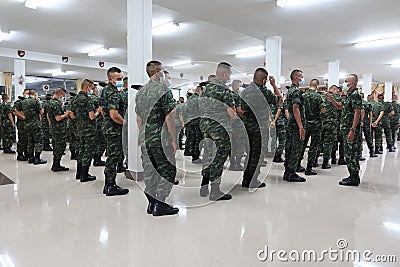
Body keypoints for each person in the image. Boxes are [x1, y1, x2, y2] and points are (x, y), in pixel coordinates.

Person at [135, 60, 179, 216]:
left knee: (150, 170)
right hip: (161, 138)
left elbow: (138, 118)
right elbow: (170, 116)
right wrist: (173, 138)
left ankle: (152, 202)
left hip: (145, 138)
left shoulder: (140, 92)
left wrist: (145, 133)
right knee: (168, 169)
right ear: (159, 71)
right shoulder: (163, 90)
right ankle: (160, 202)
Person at [199, 62, 236, 200]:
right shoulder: (224, 90)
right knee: (218, 159)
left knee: (208, 156)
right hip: (220, 129)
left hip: (205, 126)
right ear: (225, 74)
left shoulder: (206, 88)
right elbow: (231, 114)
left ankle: (204, 186)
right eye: (229, 74)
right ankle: (215, 191)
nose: (229, 77)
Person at [241, 68, 283, 187]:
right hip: (259, 129)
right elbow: (280, 100)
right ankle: (253, 180)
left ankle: (246, 179)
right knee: (258, 155)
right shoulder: (263, 91)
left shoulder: (245, 91)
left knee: (249, 154)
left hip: (247, 127)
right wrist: (274, 85)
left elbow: (241, 109)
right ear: (264, 80)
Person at [328, 74, 362, 186]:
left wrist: (352, 129)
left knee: (352, 153)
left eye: (346, 81)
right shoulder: (348, 95)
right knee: (348, 153)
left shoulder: (355, 95)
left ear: (351, 83)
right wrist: (331, 98)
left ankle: (354, 177)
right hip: (346, 129)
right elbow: (339, 106)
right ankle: (352, 175)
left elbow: (357, 112)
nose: (344, 83)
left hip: (350, 129)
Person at [100, 67, 129, 196]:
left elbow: (102, 110)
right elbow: (114, 114)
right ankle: (110, 185)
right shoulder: (113, 93)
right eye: (118, 79)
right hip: (114, 129)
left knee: (112, 156)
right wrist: (125, 123)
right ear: (110, 79)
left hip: (108, 127)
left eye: (122, 78)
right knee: (114, 156)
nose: (121, 81)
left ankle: (109, 184)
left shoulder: (105, 90)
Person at [70, 80, 101, 182]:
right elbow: (92, 117)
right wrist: (98, 112)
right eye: (91, 88)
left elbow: (72, 115)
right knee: (88, 151)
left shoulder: (75, 99)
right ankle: (85, 175)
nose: (91, 90)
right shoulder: (87, 100)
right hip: (89, 130)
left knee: (82, 150)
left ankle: (79, 173)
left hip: (79, 128)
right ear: (87, 87)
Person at [284, 69, 306, 182]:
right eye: (301, 77)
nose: (302, 79)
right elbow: (296, 108)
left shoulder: (290, 90)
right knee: (296, 148)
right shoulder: (296, 91)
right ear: (296, 78)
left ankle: (287, 171)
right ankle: (291, 172)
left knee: (289, 147)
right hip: (296, 123)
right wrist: (301, 126)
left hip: (291, 122)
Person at [299, 79, 326, 175]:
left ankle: (298, 165)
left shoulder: (303, 96)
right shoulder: (318, 96)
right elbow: (323, 110)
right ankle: (309, 168)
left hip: (305, 124)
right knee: (314, 146)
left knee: (302, 144)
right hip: (316, 125)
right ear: (317, 86)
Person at [21, 89, 47, 165]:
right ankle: (37, 158)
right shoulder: (35, 102)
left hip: (27, 124)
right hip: (35, 124)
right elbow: (42, 112)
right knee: (38, 141)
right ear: (35, 94)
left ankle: (31, 158)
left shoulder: (24, 102)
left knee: (30, 141)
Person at [320, 85, 342, 168]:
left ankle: (314, 161)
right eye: (336, 90)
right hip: (331, 123)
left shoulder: (320, 97)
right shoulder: (337, 98)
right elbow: (341, 107)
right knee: (329, 143)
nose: (337, 92)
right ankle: (325, 162)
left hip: (321, 123)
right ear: (333, 89)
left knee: (319, 142)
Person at [47, 88, 70, 172]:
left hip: (55, 128)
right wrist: (66, 114)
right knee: (60, 147)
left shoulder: (51, 103)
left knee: (57, 147)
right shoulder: (55, 104)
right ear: (59, 94)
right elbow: (58, 118)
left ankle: (56, 164)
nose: (63, 97)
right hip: (59, 129)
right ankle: (56, 165)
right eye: (63, 96)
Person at [229, 80, 246, 171]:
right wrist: (245, 118)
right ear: (235, 85)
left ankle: (232, 163)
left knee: (232, 144)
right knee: (240, 143)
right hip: (237, 124)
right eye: (239, 86)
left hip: (229, 123)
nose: (240, 88)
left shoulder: (227, 95)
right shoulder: (236, 96)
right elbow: (239, 111)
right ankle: (238, 163)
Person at [185, 85, 203, 164]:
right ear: (199, 90)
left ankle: (192, 154)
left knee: (191, 139)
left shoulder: (189, 99)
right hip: (197, 121)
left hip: (190, 121)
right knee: (197, 140)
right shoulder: (198, 99)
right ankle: (196, 157)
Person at [89, 85, 106, 166]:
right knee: (102, 142)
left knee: (96, 142)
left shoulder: (88, 98)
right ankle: (97, 159)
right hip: (99, 123)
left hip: (91, 124)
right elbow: (101, 110)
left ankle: (95, 158)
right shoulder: (97, 99)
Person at [13, 89, 30, 161]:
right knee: (22, 139)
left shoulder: (29, 102)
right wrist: (23, 117)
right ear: (23, 93)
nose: (28, 95)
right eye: (26, 93)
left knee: (28, 139)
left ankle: (27, 153)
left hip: (29, 123)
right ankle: (20, 154)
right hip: (22, 123)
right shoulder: (19, 102)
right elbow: (15, 111)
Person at [359, 92, 376, 158]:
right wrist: (370, 123)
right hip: (366, 122)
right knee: (368, 138)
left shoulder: (356, 103)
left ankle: (359, 154)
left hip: (358, 122)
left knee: (359, 138)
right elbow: (370, 114)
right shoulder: (367, 104)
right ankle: (371, 152)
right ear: (363, 97)